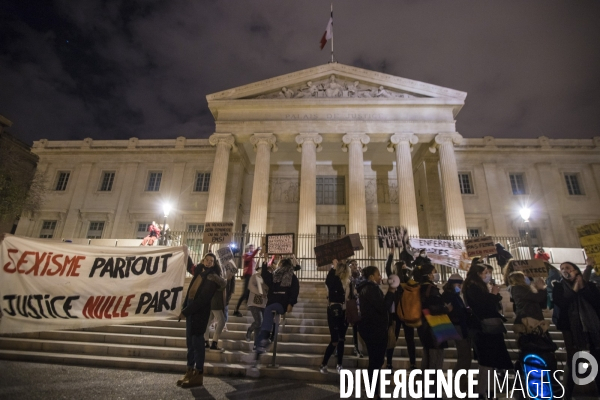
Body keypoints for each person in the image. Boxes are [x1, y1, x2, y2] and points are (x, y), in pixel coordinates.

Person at [463, 263, 513, 398]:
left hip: (487, 328)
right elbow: (482, 305)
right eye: (485, 273)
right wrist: (494, 294)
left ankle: (489, 391)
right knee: (486, 361)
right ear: (478, 274)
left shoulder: (477, 286)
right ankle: (482, 391)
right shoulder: (473, 287)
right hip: (483, 329)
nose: (487, 275)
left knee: (490, 362)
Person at [552, 261, 600, 398]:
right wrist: (575, 289)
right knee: (573, 359)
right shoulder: (558, 286)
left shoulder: (590, 285)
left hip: (591, 326)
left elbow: (596, 302)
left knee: (597, 357)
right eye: (562, 268)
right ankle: (568, 392)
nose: (564, 270)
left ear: (576, 270)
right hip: (570, 328)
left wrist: (582, 287)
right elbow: (562, 303)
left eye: (568, 268)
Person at [177, 253, 222, 388]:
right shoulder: (199, 271)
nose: (209, 262)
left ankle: (199, 373)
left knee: (197, 343)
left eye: (211, 261)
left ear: (214, 264)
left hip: (199, 313)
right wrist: (185, 252)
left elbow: (202, 300)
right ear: (203, 261)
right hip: (190, 309)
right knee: (190, 342)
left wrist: (185, 312)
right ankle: (189, 370)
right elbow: (190, 266)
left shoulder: (212, 278)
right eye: (207, 260)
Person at [252, 257, 300, 365]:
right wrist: (265, 261)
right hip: (274, 301)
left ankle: (265, 336)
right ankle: (265, 340)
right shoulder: (276, 275)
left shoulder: (290, 276)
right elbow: (266, 276)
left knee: (268, 311)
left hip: (280, 303)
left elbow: (294, 290)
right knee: (269, 313)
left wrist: (291, 303)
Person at [356, 266, 395, 396]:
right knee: (375, 362)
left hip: (373, 328)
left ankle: (373, 391)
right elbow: (382, 307)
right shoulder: (370, 289)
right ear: (372, 277)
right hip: (374, 330)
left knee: (376, 361)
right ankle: (373, 392)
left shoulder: (369, 288)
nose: (380, 277)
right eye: (378, 274)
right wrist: (390, 292)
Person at [385, 247, 416, 370]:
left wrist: (391, 255)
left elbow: (387, 267)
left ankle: (389, 363)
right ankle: (412, 364)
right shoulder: (402, 280)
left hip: (397, 314)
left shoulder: (395, 279)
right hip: (405, 313)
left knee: (393, 339)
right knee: (409, 340)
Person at [416, 263, 451, 372]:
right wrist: (446, 309)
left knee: (427, 356)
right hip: (434, 326)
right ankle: (433, 386)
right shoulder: (430, 288)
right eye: (434, 272)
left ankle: (426, 384)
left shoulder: (420, 287)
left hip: (424, 326)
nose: (436, 274)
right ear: (429, 275)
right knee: (436, 357)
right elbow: (434, 307)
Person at [319, 259, 352, 374]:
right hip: (334, 311)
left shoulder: (348, 283)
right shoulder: (334, 281)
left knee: (342, 339)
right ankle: (323, 364)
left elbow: (351, 297)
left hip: (344, 312)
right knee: (335, 340)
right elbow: (328, 281)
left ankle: (339, 364)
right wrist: (333, 267)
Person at [441, 273, 471, 387]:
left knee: (465, 356)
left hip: (460, 326)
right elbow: (453, 311)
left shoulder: (455, 295)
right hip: (457, 327)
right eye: (458, 284)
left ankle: (460, 383)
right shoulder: (449, 296)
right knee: (464, 356)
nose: (460, 286)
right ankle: (460, 385)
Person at [246, 251, 269, 345]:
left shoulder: (267, 278)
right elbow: (251, 287)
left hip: (263, 303)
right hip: (254, 303)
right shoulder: (254, 276)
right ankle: (249, 330)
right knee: (258, 322)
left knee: (260, 325)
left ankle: (256, 343)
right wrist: (261, 293)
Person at [204, 264, 227, 351]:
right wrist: (225, 279)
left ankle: (206, 341)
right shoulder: (214, 277)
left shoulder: (210, 276)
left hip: (210, 302)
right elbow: (223, 285)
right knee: (221, 321)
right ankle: (214, 342)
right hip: (215, 302)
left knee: (208, 322)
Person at [233, 245, 260, 317]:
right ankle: (236, 309)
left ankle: (247, 304)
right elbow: (250, 258)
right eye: (251, 248)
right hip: (247, 276)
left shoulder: (252, 258)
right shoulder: (246, 255)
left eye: (253, 248)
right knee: (245, 293)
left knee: (249, 292)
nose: (252, 249)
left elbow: (255, 267)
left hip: (251, 276)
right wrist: (256, 250)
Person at [349, 259, 364, 358]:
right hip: (349, 303)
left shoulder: (359, 277)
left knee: (357, 327)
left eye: (356, 264)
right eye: (352, 264)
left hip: (358, 304)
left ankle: (357, 347)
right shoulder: (347, 276)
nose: (355, 266)